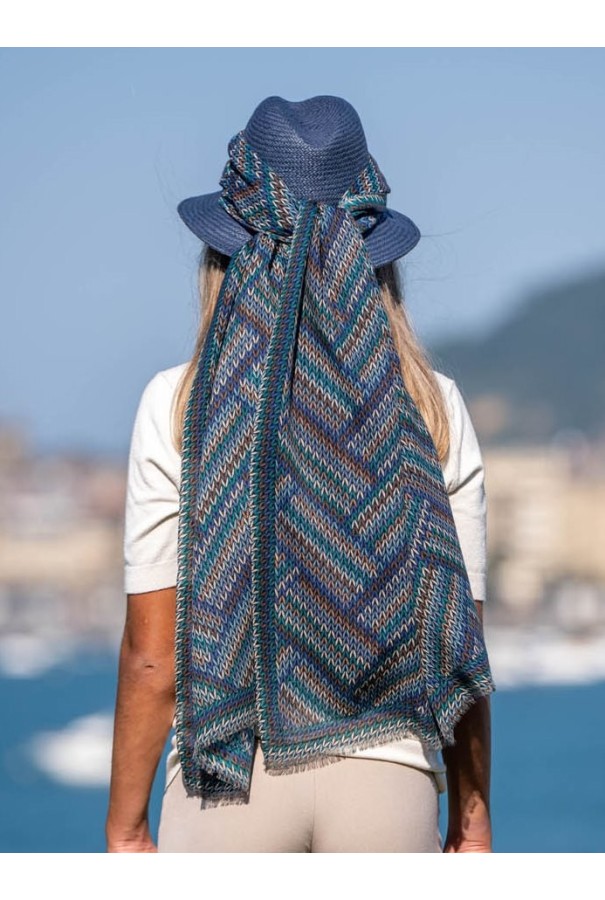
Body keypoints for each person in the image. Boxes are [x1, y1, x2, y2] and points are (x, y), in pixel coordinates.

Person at [106, 94, 496, 853]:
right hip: (390, 777)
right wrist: (472, 822)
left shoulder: (179, 404)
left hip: (229, 777)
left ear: (222, 260)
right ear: (378, 266)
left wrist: (125, 827)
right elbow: (459, 638)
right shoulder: (433, 407)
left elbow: (152, 658)